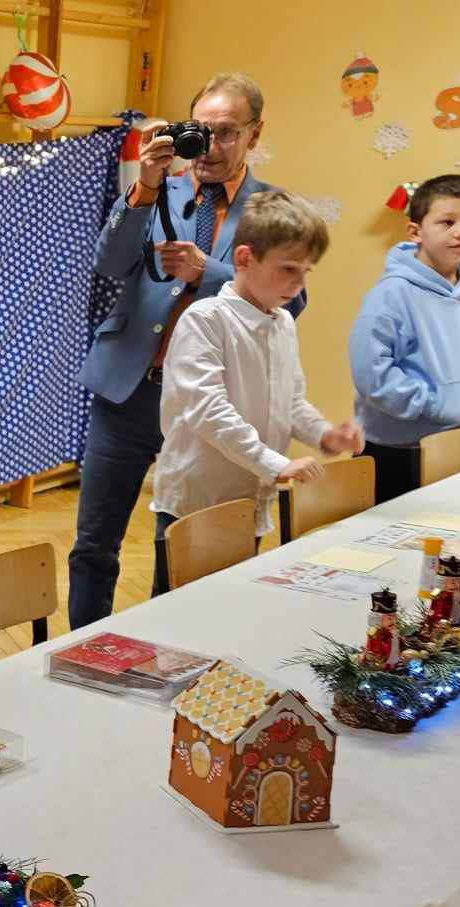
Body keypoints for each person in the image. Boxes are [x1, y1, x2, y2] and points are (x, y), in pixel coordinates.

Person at [69, 73, 304, 628]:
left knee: (179, 546)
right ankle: (84, 652)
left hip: (208, 405)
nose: (211, 147)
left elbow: (291, 301)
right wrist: (145, 186)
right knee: (93, 545)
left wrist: (212, 273)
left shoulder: (272, 209)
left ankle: (165, 648)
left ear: (255, 133)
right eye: (200, 130)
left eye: (227, 133)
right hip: (128, 392)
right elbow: (109, 264)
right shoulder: (159, 189)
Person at [150, 190, 363, 591]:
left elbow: (291, 402)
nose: (298, 283)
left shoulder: (282, 323)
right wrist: (275, 463)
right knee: (180, 611)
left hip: (250, 499)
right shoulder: (205, 319)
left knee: (232, 601)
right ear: (245, 258)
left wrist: (324, 434)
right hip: (199, 502)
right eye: (288, 269)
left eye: (306, 271)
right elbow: (208, 411)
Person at [350, 175, 460, 503]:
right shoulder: (391, 295)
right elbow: (372, 374)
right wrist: (434, 405)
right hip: (400, 452)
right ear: (415, 232)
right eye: (447, 222)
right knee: (399, 533)